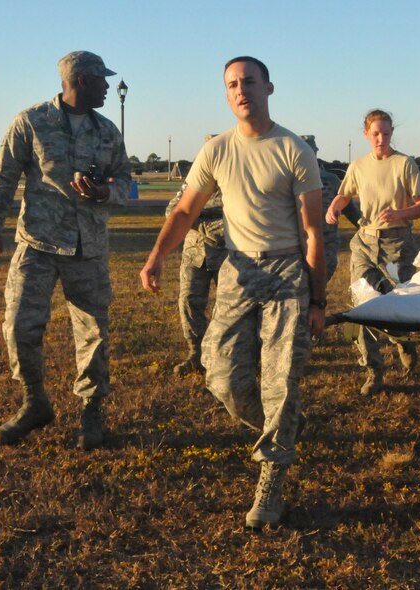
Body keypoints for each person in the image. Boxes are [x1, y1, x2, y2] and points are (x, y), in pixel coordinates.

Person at [140, 56, 325, 530]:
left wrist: (318, 299)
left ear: (269, 87)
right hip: (237, 272)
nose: (241, 90)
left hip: (286, 271)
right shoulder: (216, 150)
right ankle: (281, 428)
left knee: (280, 378)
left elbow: (312, 232)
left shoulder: (294, 149)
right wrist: (157, 255)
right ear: (227, 95)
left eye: (249, 82)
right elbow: (184, 212)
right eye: (232, 85)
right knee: (219, 373)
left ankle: (272, 477)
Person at [0, 50, 131, 450]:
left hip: (88, 247)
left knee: (93, 334)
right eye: (101, 79)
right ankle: (34, 402)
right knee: (19, 327)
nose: (107, 86)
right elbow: (3, 178)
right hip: (38, 245)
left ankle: (91, 410)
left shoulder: (107, 131)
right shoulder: (32, 122)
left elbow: (127, 184)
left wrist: (104, 192)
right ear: (81, 80)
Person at [325, 110, 420, 395]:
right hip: (364, 244)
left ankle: (402, 342)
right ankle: (374, 372)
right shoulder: (358, 166)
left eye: (385, 133)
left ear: (392, 133)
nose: (381, 139)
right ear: (366, 134)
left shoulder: (404, 164)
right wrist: (334, 206)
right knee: (363, 305)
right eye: (375, 134)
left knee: (394, 305)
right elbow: (345, 194)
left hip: (398, 244)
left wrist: (400, 213)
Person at [165, 136, 226, 376]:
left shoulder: (236, 180)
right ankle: (196, 354)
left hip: (228, 258)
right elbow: (173, 210)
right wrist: (204, 224)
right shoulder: (193, 182)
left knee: (227, 309)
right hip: (195, 255)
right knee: (189, 304)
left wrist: (197, 215)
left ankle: (224, 356)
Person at [300, 134, 361, 282]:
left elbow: (351, 211)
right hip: (297, 246)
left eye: (310, 152)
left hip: (325, 245)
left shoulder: (331, 180)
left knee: (320, 283)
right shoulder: (287, 182)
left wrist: (368, 228)